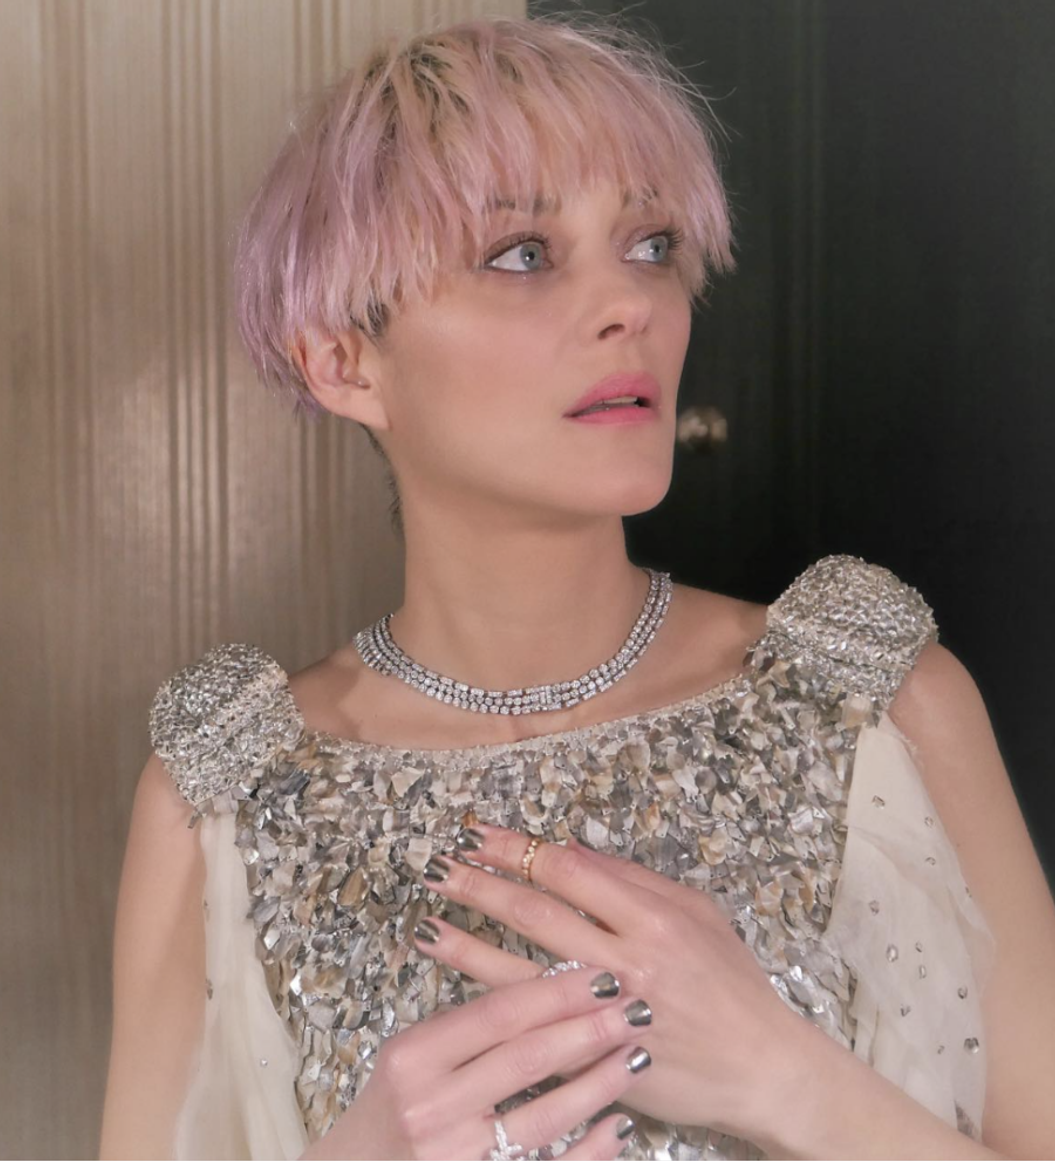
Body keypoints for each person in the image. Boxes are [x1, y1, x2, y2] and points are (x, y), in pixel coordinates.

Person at [100, 13, 1055, 1161]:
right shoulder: (228, 798)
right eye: (523, 254)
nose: (630, 306)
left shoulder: (873, 710)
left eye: (650, 245)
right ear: (342, 359)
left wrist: (788, 1079)